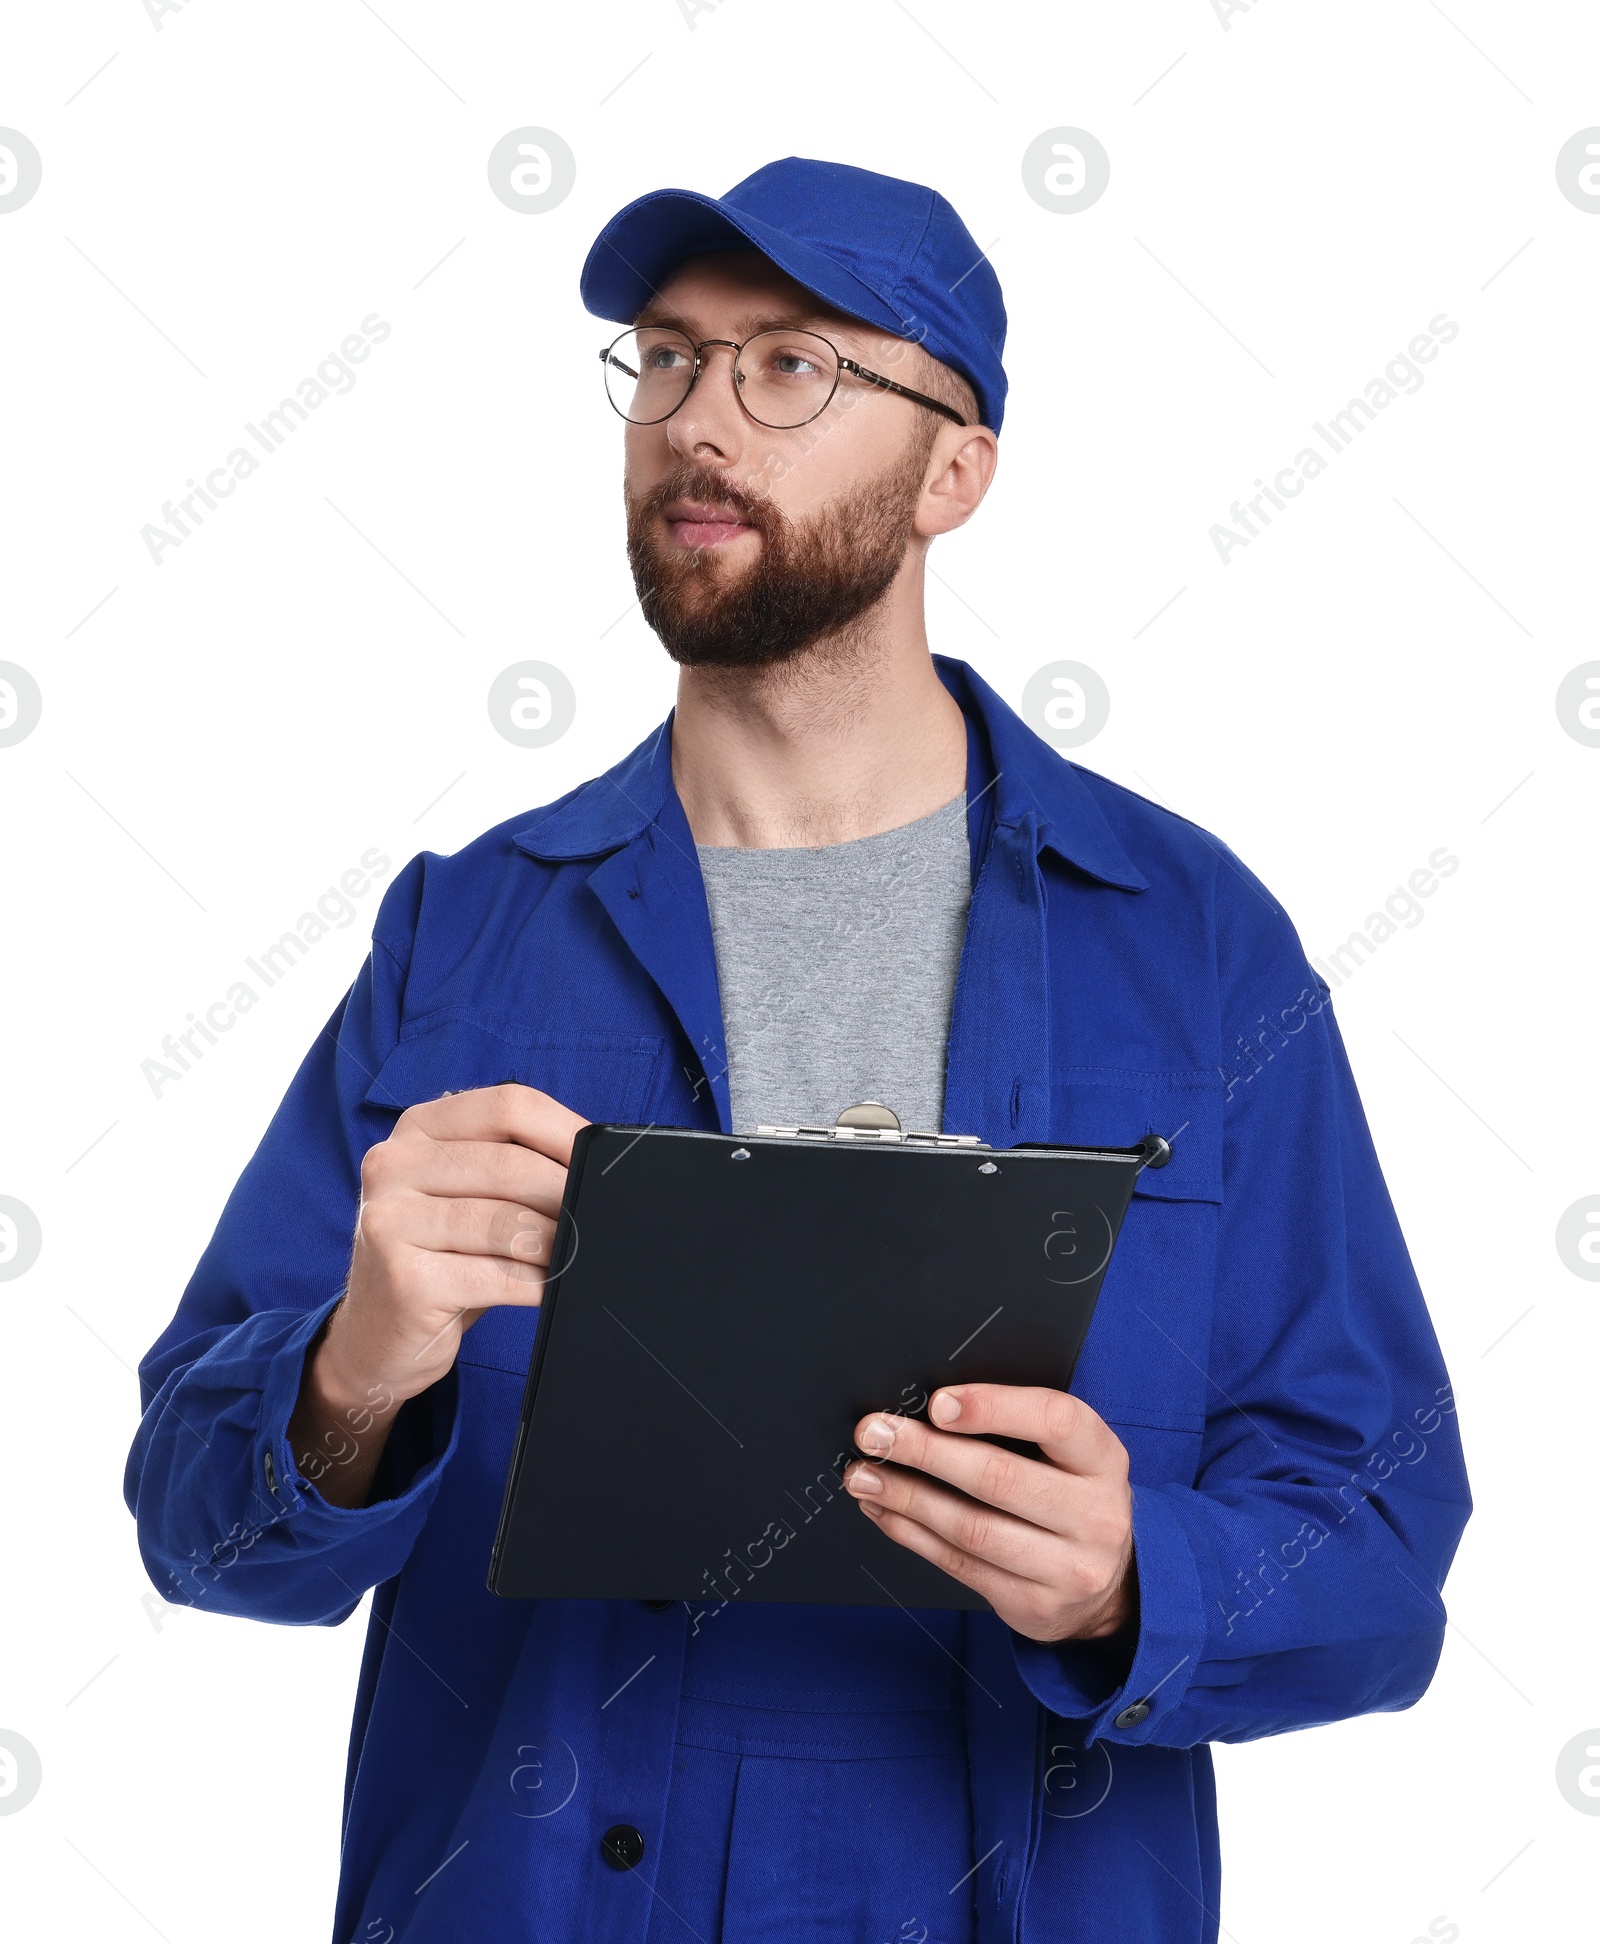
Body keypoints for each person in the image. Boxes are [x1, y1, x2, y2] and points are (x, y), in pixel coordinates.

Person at [126, 157, 1471, 1944]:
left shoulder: (1194, 944)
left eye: (794, 368)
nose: (702, 422)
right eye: (669, 359)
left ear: (955, 469)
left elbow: (1380, 1556)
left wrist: (1139, 1582)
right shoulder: (464, 932)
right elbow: (196, 1536)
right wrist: (359, 1369)